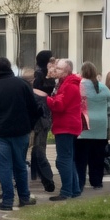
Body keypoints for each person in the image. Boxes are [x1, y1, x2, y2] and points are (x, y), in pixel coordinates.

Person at [0, 57, 40, 210]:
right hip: (21, 131)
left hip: (0, 132)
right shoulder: (22, 84)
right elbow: (34, 108)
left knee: (5, 166)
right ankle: (24, 197)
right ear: (9, 68)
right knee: (20, 165)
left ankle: (7, 200)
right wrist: (29, 125)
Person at [38, 59, 82, 201]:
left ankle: (66, 191)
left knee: (63, 159)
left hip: (66, 126)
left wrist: (45, 98)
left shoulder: (69, 85)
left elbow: (60, 105)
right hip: (67, 125)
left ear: (67, 71)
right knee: (68, 159)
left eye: (59, 69)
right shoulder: (64, 83)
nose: (55, 70)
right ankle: (74, 189)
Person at [76, 62, 110, 190]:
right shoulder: (103, 87)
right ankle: (97, 181)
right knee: (98, 156)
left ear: (82, 72)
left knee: (81, 157)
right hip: (100, 127)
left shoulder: (79, 86)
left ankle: (79, 182)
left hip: (84, 126)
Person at [30, 51, 57, 192]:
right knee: (40, 145)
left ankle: (36, 173)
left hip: (41, 111)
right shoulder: (42, 74)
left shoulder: (41, 73)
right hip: (42, 111)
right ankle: (47, 177)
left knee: (37, 145)